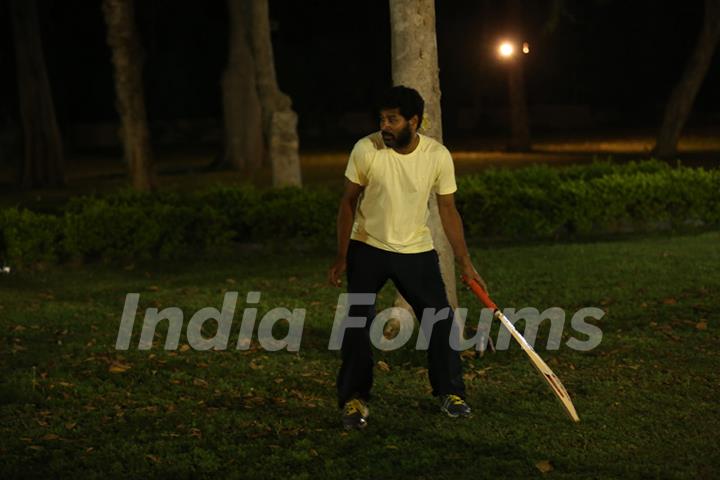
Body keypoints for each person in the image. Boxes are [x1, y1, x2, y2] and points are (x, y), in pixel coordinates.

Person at [327, 85, 487, 430]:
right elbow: (347, 202)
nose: (384, 125)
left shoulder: (437, 155)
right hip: (367, 247)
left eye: (392, 119)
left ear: (414, 121)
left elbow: (448, 209)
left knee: (440, 320)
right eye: (381, 118)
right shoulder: (366, 149)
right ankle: (354, 399)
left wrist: (465, 262)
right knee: (358, 323)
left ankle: (450, 393)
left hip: (416, 251)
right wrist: (342, 255)